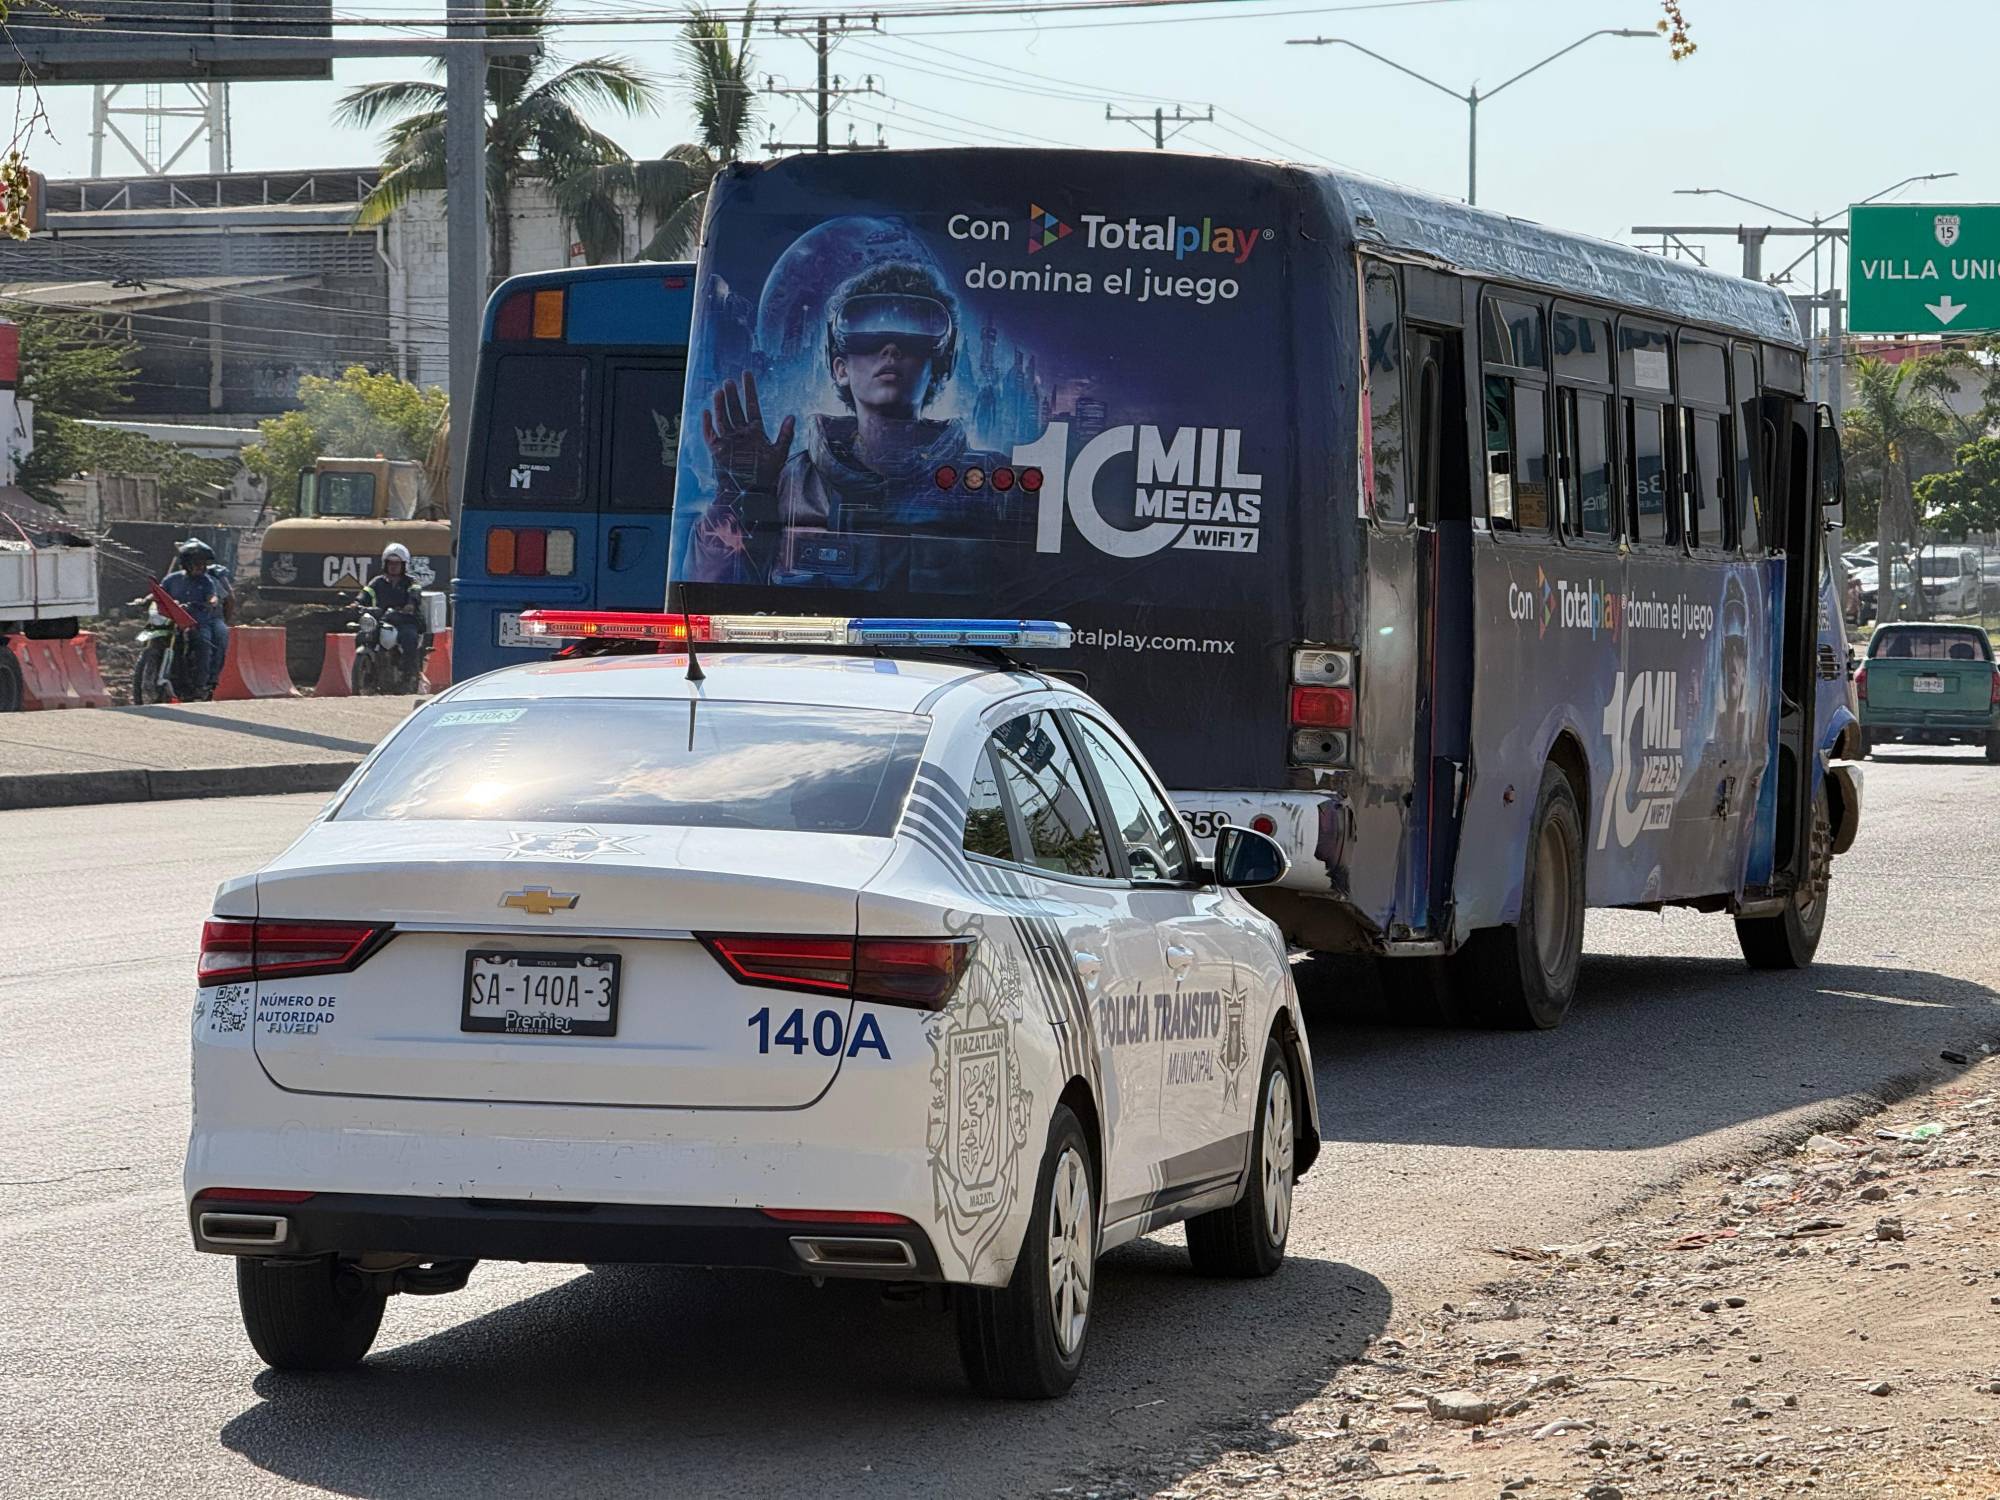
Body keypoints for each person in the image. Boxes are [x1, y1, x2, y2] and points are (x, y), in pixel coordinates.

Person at [687, 260, 1026, 592]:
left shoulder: (988, 481)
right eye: (867, 337)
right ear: (840, 369)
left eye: (912, 338)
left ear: (938, 367)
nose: (890, 349)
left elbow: (1032, 595)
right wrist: (737, 495)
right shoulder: (794, 480)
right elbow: (718, 591)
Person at [158, 538, 233, 699]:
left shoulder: (207, 580)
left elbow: (216, 597)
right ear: (186, 564)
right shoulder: (172, 579)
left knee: (205, 642)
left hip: (199, 622)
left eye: (204, 564)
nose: (202, 567)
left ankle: (202, 684)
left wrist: (211, 602)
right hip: (173, 620)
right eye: (198, 563)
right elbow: (160, 593)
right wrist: (144, 600)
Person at [356, 542, 428, 684]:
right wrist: (357, 602)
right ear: (385, 564)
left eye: (397, 563)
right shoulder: (377, 582)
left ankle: (408, 675)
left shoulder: (411, 582)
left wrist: (410, 604)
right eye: (390, 563)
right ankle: (369, 668)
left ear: (404, 565)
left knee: (409, 637)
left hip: (405, 620)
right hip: (383, 619)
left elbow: (415, 593)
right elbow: (365, 593)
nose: (393, 566)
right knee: (363, 635)